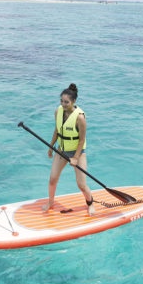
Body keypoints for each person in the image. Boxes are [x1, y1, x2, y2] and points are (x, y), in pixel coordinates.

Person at [42, 83, 95, 216]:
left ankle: (91, 203)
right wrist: (51, 146)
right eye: (61, 101)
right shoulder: (58, 111)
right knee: (52, 179)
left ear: (74, 101)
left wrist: (75, 158)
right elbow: (57, 130)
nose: (63, 104)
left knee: (81, 185)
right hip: (61, 150)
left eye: (66, 102)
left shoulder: (80, 117)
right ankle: (51, 202)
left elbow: (82, 140)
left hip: (78, 153)